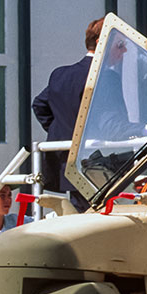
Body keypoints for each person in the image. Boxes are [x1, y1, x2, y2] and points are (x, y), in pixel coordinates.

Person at [32, 17, 103, 206]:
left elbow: (40, 105)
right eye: (120, 45)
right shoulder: (104, 76)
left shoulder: (61, 75)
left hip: (66, 162)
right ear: (101, 42)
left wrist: (62, 131)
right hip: (97, 166)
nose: (125, 50)